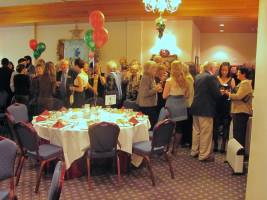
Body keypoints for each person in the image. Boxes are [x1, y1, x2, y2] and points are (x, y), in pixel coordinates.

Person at [190, 61, 222, 162]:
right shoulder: (211, 77)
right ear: (211, 68)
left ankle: (194, 151)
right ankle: (204, 155)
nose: (216, 70)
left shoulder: (198, 76)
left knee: (196, 131)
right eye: (216, 68)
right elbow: (216, 94)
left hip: (196, 107)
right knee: (206, 132)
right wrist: (221, 92)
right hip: (206, 108)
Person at [224, 67, 253, 151]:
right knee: (236, 134)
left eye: (239, 72)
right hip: (238, 111)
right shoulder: (242, 83)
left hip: (241, 112)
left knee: (239, 135)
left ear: (243, 74)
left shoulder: (245, 83)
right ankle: (236, 158)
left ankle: (239, 158)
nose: (237, 73)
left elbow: (238, 96)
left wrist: (227, 94)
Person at [163, 61, 189, 154]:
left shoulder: (169, 81)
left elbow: (164, 96)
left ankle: (167, 149)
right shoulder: (185, 80)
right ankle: (175, 149)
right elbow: (187, 95)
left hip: (172, 104)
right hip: (181, 104)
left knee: (170, 127)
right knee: (179, 128)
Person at [213, 62, 236, 153]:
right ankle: (215, 145)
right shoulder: (216, 78)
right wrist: (219, 92)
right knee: (216, 126)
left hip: (227, 105)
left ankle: (223, 145)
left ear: (229, 70)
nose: (224, 72)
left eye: (226, 70)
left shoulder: (232, 80)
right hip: (217, 104)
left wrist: (227, 93)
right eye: (222, 70)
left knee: (226, 125)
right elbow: (213, 91)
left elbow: (234, 94)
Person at [136, 61, 162, 129]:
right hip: (146, 105)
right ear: (148, 69)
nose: (155, 69)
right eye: (153, 68)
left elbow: (151, 89)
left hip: (150, 104)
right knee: (152, 125)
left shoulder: (151, 76)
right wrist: (155, 89)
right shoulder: (146, 77)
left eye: (155, 67)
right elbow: (144, 93)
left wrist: (157, 89)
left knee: (153, 124)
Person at [181, 63, 194, 147]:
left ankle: (188, 141)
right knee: (186, 123)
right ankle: (185, 140)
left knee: (187, 124)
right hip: (186, 103)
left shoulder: (188, 78)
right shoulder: (187, 77)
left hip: (188, 104)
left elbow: (187, 93)